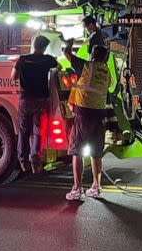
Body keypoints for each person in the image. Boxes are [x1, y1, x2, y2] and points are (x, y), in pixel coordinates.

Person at [63, 38, 112, 200]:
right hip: (99, 115)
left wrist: (68, 44)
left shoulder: (85, 66)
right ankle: (96, 187)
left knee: (77, 151)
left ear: (92, 55)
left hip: (83, 114)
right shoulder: (106, 72)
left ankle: (77, 189)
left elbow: (66, 54)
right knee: (96, 153)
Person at [11, 35, 59, 173]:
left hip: (25, 100)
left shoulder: (23, 59)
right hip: (41, 100)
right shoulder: (47, 59)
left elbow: (13, 76)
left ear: (34, 45)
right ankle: (35, 161)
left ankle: (23, 162)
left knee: (23, 131)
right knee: (38, 132)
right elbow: (59, 66)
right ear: (44, 47)